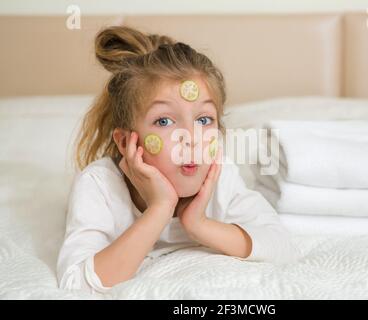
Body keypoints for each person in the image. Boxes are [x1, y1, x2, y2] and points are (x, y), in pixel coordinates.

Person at [57, 26, 296, 294]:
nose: (191, 138)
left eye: (204, 120)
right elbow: (75, 284)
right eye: (164, 121)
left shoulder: (220, 177)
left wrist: (198, 224)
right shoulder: (99, 185)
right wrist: (160, 208)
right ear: (125, 142)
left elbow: (282, 246)